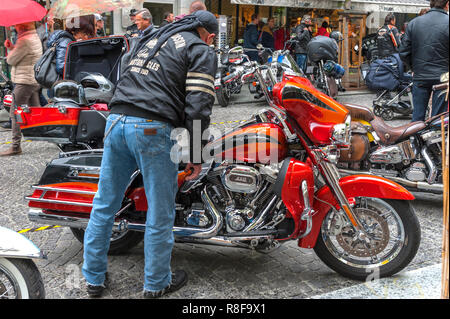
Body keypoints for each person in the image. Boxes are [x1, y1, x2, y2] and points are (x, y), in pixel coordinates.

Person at [81, 10, 218, 299]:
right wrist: (195, 153)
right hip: (152, 129)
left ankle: (93, 279)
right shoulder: (200, 49)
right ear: (210, 35)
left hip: (117, 121)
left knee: (105, 203)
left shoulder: (155, 37)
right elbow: (199, 104)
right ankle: (156, 284)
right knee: (160, 211)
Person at [399, 0, 449, 122]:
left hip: (420, 75)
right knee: (439, 119)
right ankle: (435, 141)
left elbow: (403, 52)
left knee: (417, 117)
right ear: (447, 4)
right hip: (443, 77)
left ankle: (415, 139)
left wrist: (414, 68)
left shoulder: (414, 23)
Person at [0, 22, 42, 156]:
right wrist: (13, 46)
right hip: (32, 79)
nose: (14, 28)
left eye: (17, 26)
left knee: (14, 112)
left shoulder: (24, 41)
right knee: (35, 110)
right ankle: (48, 134)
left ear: (22, 27)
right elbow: (23, 55)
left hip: (25, 81)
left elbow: (11, 60)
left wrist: (10, 49)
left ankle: (15, 146)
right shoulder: (34, 37)